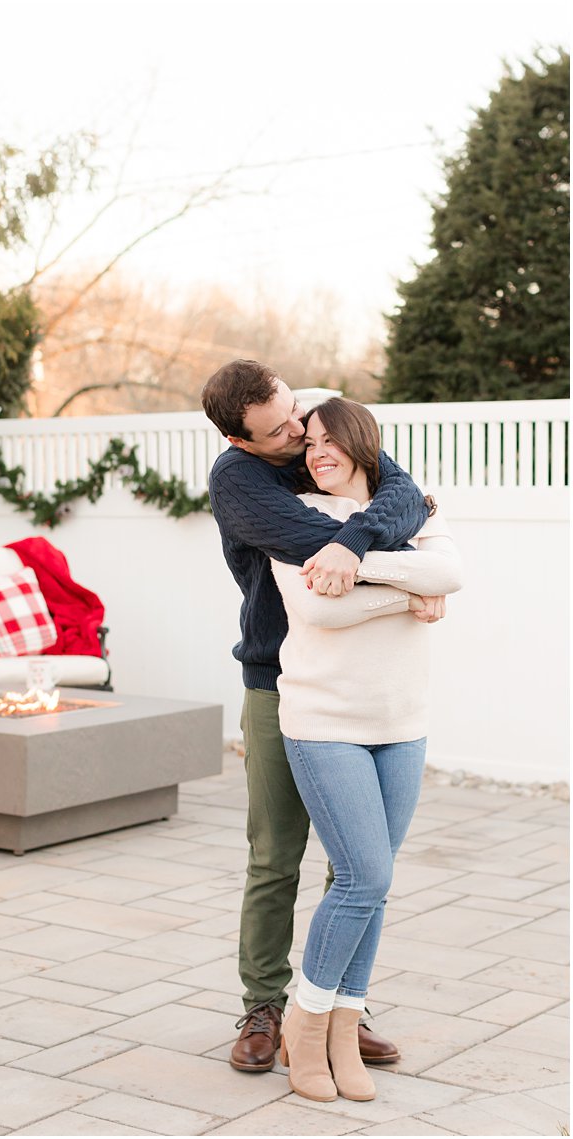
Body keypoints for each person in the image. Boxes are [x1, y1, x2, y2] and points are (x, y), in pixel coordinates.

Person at [200, 360, 430, 1076]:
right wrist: (412, 581)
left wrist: (357, 539)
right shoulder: (237, 481)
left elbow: (407, 497)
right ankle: (266, 1004)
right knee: (275, 854)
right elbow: (312, 558)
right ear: (241, 440)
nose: (300, 434)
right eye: (278, 431)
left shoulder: (315, 436)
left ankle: (333, 1007)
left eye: (296, 413)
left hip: (358, 683)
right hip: (276, 682)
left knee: (357, 864)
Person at [270, 398, 460, 1102]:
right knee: (362, 876)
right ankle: (306, 1025)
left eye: (329, 440)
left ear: (361, 442)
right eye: (308, 442)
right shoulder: (298, 516)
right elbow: (320, 608)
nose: (316, 452)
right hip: (325, 720)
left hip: (402, 721)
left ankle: (346, 1030)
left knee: (374, 887)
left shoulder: (411, 504)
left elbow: (451, 574)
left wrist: (369, 571)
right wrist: (406, 588)